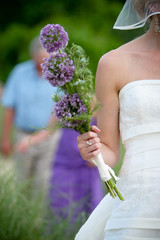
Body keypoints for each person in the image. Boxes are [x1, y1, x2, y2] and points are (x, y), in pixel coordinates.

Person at [75, 0, 160, 239]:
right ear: (149, 6)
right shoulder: (113, 63)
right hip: (139, 198)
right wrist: (94, 151)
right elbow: (110, 152)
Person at [1, 37, 57, 194]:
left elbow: (56, 117)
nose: (42, 66)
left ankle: (36, 217)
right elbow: (9, 107)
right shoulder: (19, 72)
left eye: (45, 61)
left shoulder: (59, 78)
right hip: (22, 135)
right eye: (39, 61)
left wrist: (39, 137)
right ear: (32, 56)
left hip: (48, 138)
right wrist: (5, 138)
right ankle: (20, 215)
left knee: (42, 183)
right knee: (21, 181)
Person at [49, 119, 104, 224]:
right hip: (64, 164)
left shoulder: (97, 106)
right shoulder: (62, 106)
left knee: (90, 212)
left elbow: (106, 137)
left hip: (88, 166)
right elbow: (49, 130)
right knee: (61, 207)